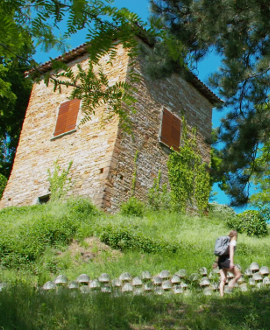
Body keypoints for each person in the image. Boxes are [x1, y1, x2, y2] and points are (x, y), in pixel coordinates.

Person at [213, 230, 242, 297]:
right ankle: (232, 283)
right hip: (227, 260)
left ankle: (221, 296)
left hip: (220, 261)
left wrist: (216, 263)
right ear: (235, 235)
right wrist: (231, 262)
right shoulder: (232, 241)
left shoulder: (224, 243)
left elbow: (220, 254)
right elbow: (231, 252)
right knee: (238, 275)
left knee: (223, 279)